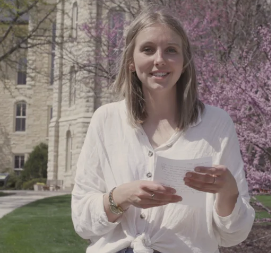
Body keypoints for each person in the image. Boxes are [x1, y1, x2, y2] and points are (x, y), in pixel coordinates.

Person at [72, 7, 255, 253]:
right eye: (148, 49)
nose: (160, 59)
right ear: (130, 62)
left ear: (184, 62)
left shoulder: (216, 124)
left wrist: (227, 191)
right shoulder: (106, 120)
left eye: (171, 50)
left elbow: (234, 235)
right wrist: (121, 196)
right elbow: (82, 222)